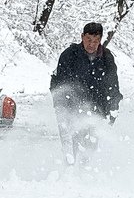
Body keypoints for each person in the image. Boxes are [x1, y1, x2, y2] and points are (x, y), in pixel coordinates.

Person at [50, 21, 123, 163]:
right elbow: (59, 83)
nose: (92, 44)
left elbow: (113, 86)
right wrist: (61, 106)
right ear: (82, 37)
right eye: (88, 40)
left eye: (96, 41)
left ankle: (85, 170)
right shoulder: (69, 55)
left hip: (97, 106)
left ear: (101, 40)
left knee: (91, 142)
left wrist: (113, 108)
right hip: (72, 106)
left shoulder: (107, 58)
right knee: (72, 142)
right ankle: (70, 170)